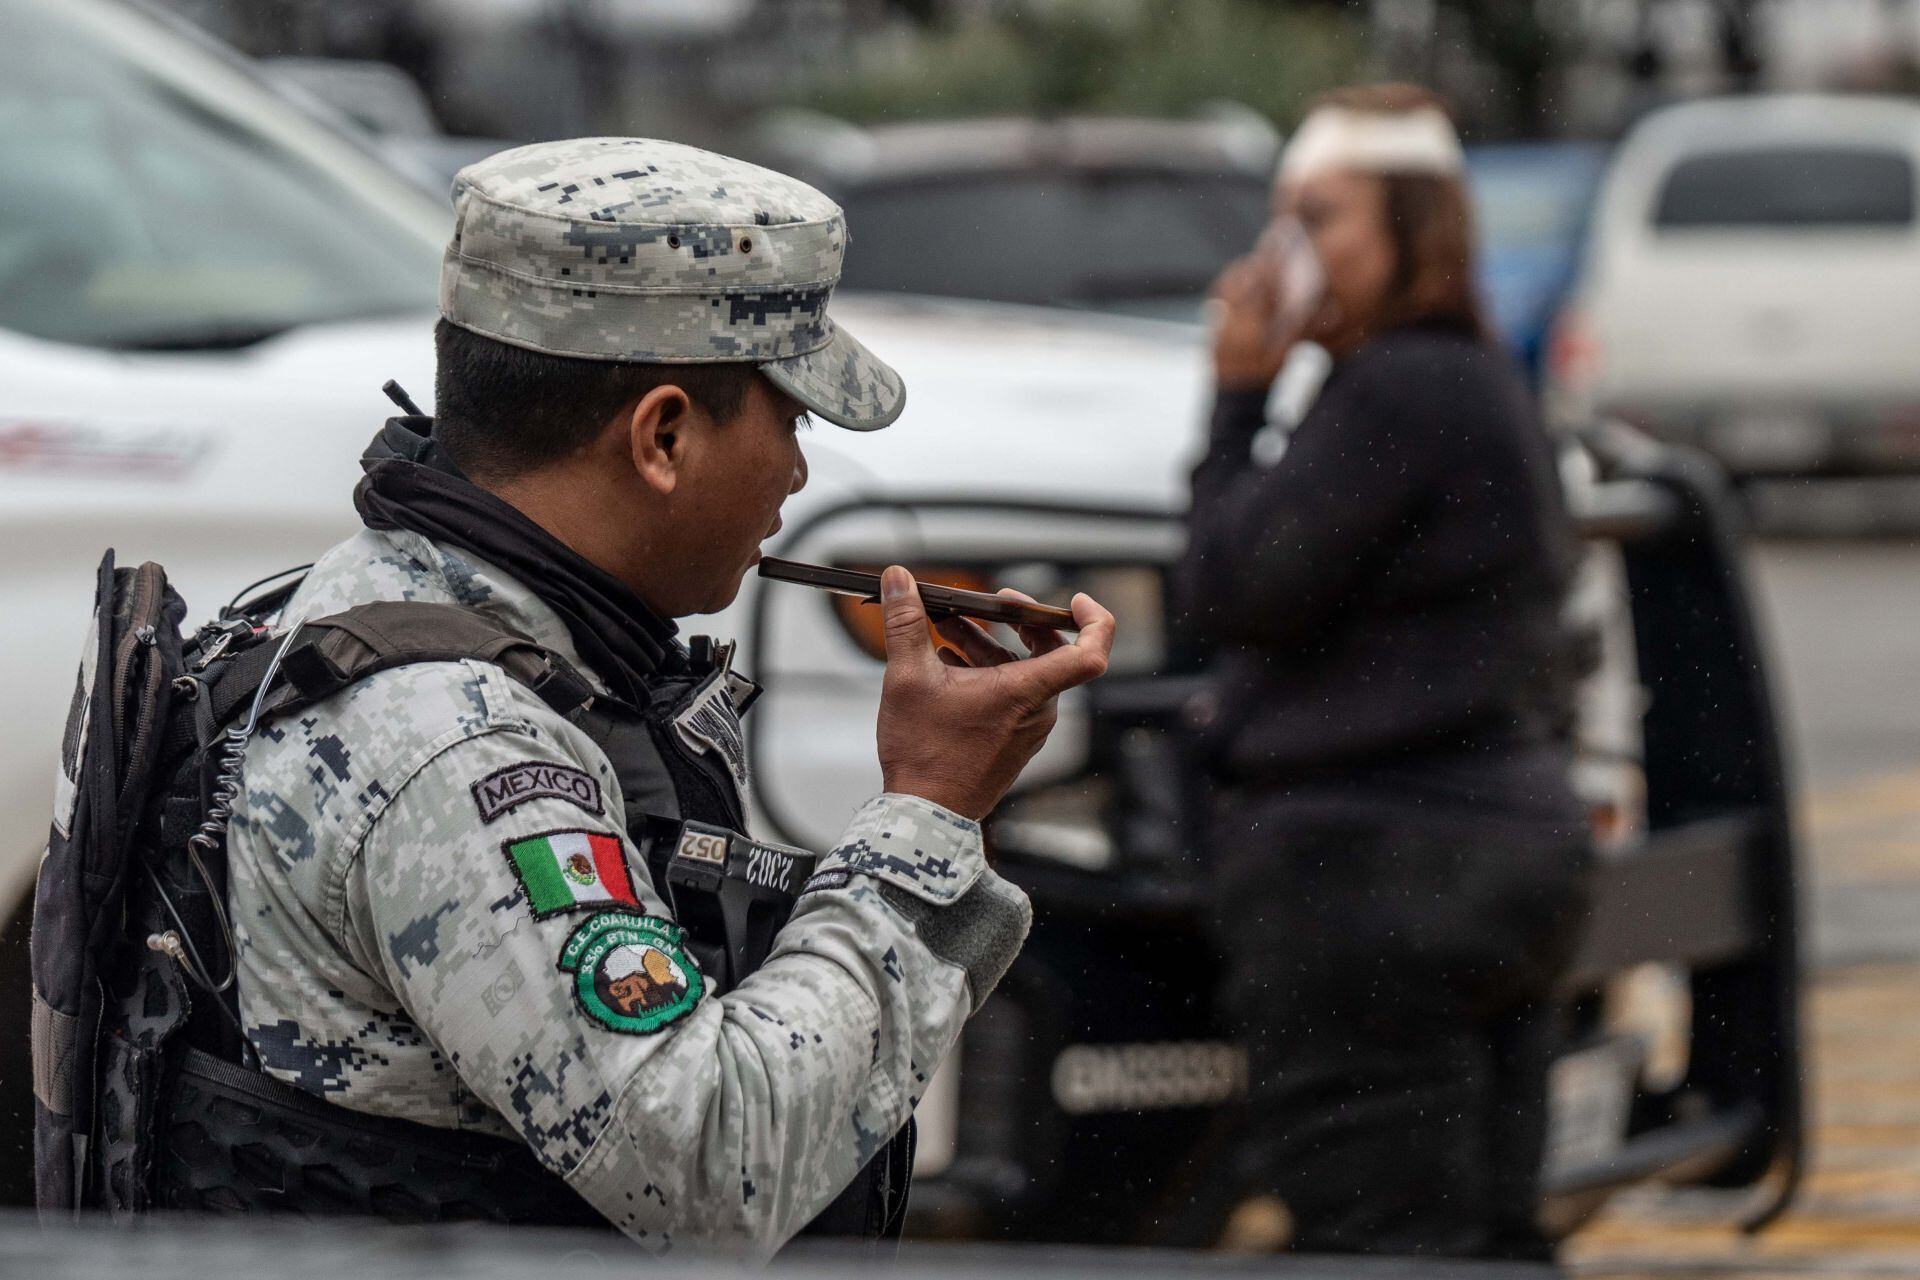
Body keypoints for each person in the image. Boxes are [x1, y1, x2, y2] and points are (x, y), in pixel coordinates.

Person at [209, 139, 1114, 1254]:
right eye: (792, 418)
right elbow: (713, 1172)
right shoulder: (461, 746)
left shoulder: (390, 595)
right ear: (664, 435)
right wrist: (931, 806)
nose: (797, 470)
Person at [1176, 86, 1591, 1259]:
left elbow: (1230, 585)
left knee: (1384, 1238)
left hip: (1374, 877)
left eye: (1320, 218)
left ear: (1417, 228)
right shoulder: (1464, 378)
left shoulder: (1399, 386)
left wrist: (1236, 398)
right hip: (1484, 859)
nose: (1283, 253)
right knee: (1487, 1234)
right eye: (1281, 217)